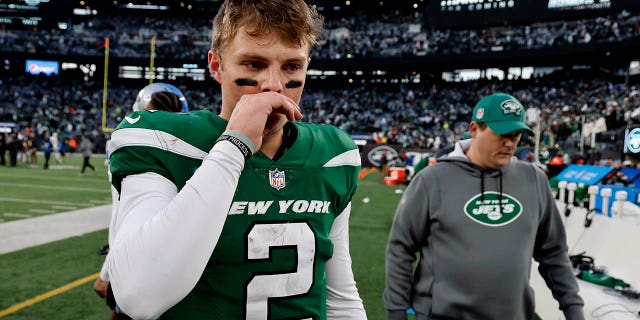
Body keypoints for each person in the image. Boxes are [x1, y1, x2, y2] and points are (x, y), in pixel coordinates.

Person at [103, 1, 366, 319]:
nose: (274, 84)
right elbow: (138, 296)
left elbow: (340, 297)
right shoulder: (165, 141)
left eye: (292, 67)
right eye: (254, 64)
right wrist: (233, 146)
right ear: (216, 66)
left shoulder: (333, 154)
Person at [384, 93, 584, 320]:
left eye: (516, 135)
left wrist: (573, 309)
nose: (510, 143)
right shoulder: (432, 180)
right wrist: (396, 313)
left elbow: (554, 253)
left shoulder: (534, 180)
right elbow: (401, 248)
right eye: (501, 134)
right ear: (474, 129)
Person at [93, 83, 190, 320]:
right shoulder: (196, 146)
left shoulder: (134, 146)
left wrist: (107, 273)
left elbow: (122, 216)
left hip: (140, 258)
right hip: (186, 262)